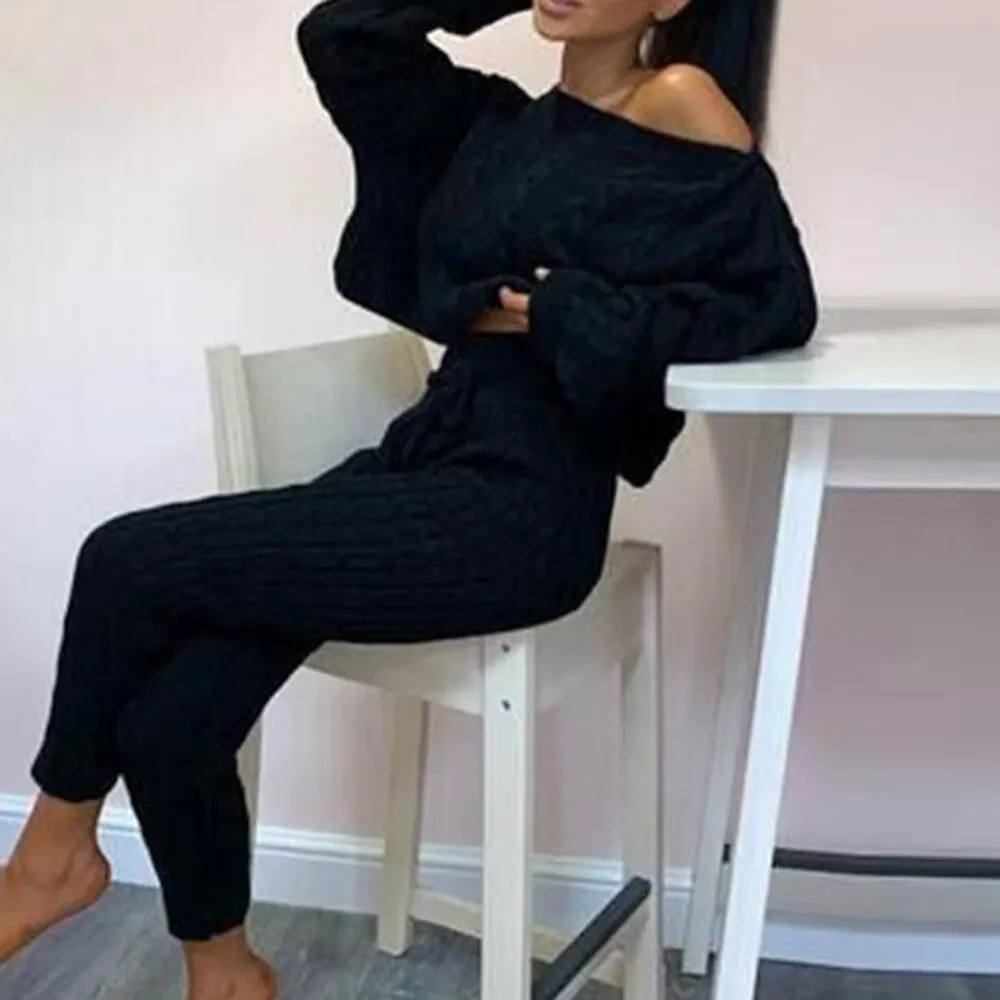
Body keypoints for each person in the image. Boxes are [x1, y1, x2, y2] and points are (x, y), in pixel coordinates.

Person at [0, 0, 816, 996]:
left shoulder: (678, 99)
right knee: (172, 720)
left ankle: (50, 858)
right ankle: (228, 973)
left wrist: (561, 309)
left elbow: (774, 302)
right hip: (428, 454)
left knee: (123, 557)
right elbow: (343, 34)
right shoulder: (495, 127)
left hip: (525, 504)